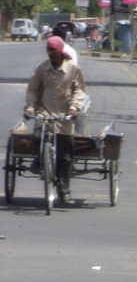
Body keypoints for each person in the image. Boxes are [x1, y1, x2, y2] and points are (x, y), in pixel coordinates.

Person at [23, 35, 87, 205]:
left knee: (66, 156)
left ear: (60, 51)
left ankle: (64, 191)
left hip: (65, 115)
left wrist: (74, 108)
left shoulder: (73, 68)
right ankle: (39, 160)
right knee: (38, 136)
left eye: (53, 50)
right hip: (45, 111)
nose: (50, 53)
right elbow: (32, 90)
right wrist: (30, 107)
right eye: (48, 50)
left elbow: (79, 90)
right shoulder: (42, 68)